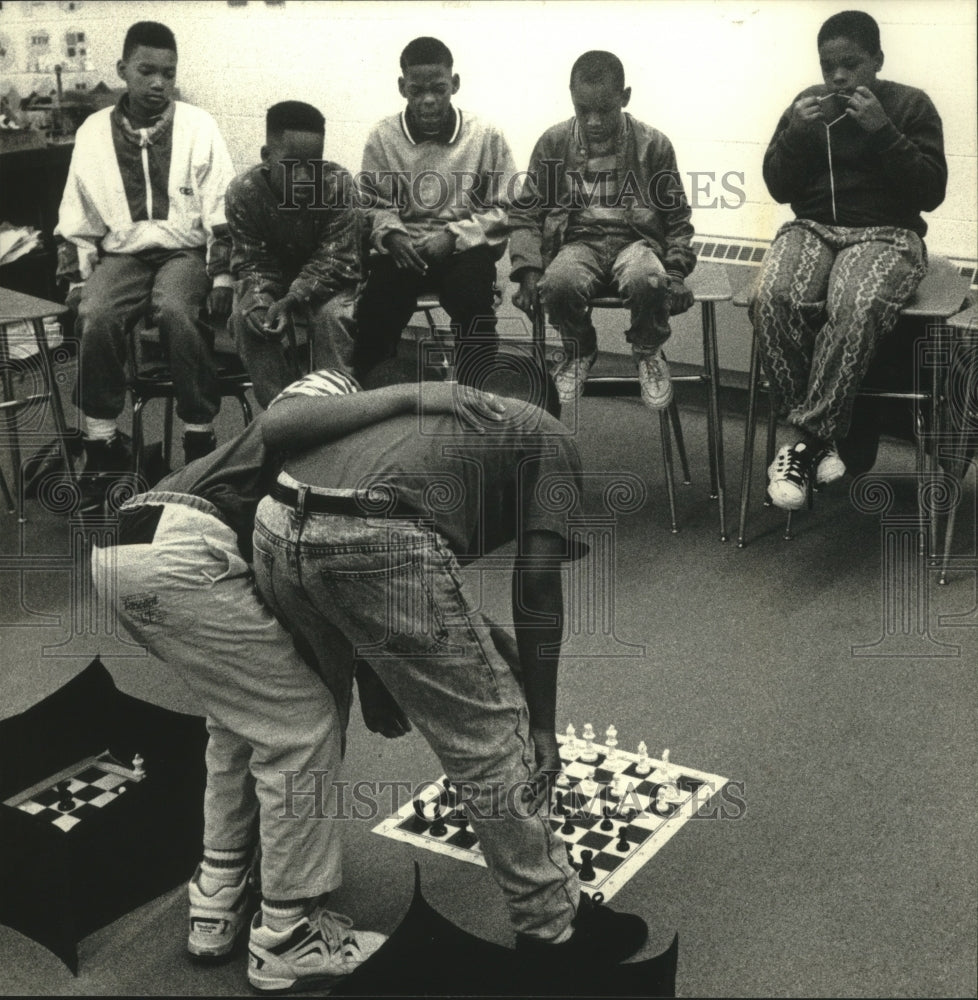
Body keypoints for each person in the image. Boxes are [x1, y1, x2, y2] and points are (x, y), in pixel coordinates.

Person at [91, 367, 507, 993]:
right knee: (301, 730)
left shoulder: (277, 462)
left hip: (127, 551)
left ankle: (217, 895)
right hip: (184, 551)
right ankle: (289, 934)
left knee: (239, 723)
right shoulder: (311, 418)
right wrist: (413, 394)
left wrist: (369, 676)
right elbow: (282, 421)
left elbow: (315, 597)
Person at [251, 355, 649, 980]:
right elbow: (537, 586)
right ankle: (556, 927)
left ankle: (266, 897)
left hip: (273, 525)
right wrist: (540, 724)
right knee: (490, 738)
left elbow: (331, 525)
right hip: (375, 543)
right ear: (545, 402)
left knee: (300, 728)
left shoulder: (418, 415)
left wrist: (375, 672)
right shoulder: (543, 430)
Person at [749, 9, 947, 509]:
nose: (837, 76)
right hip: (813, 227)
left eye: (851, 64)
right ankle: (828, 441)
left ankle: (802, 441)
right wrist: (795, 135)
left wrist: (883, 132)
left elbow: (931, 191)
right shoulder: (806, 107)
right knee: (772, 294)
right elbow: (777, 186)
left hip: (889, 234)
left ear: (877, 60)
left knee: (855, 301)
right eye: (827, 65)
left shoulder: (909, 106)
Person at [55, 21, 237, 509]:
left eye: (168, 73)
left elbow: (222, 204)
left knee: (178, 311)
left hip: (184, 251)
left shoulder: (199, 126)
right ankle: (102, 441)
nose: (158, 83)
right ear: (123, 71)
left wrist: (221, 272)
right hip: (122, 254)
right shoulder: (94, 133)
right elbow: (79, 211)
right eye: (147, 71)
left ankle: (199, 436)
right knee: (95, 314)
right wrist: (78, 275)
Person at [508, 50, 696, 412]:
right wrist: (528, 270)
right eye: (583, 110)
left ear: (624, 97)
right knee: (558, 284)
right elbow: (527, 210)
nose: (593, 122)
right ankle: (579, 349)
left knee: (650, 280)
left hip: (637, 243)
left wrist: (675, 271)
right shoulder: (553, 143)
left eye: (604, 111)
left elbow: (676, 217)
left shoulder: (653, 144)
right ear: (570, 96)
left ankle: (647, 350)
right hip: (579, 242)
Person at [355, 36, 519, 383]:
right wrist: (391, 234)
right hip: (405, 250)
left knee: (474, 305)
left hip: (463, 249)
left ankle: (478, 395)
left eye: (439, 89)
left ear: (454, 85)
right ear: (402, 88)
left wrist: (454, 235)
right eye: (417, 91)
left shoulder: (485, 135)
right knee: (374, 311)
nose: (429, 100)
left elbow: (506, 208)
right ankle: (371, 403)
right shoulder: (382, 137)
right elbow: (372, 204)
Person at [226, 100, 362, 409]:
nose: (303, 176)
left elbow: (338, 259)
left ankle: (339, 413)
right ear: (267, 157)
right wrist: (263, 301)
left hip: (330, 283)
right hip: (272, 280)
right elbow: (251, 261)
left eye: (312, 164)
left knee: (334, 318)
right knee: (247, 318)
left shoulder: (339, 186)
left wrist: (292, 299)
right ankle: (284, 413)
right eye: (291, 164)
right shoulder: (242, 193)